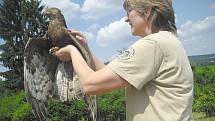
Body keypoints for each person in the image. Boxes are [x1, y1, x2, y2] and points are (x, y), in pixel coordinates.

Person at [54, 0, 194, 120]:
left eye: (129, 11)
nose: (126, 19)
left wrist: (72, 50)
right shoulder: (168, 41)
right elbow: (109, 76)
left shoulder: (153, 44)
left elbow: (91, 85)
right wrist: (86, 48)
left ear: (147, 11)